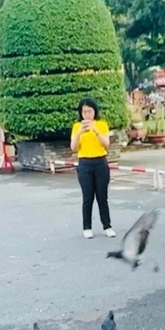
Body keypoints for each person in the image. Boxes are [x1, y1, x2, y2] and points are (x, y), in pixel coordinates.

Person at [70, 97, 114, 240]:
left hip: (100, 162)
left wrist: (95, 130)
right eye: (84, 112)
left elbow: (106, 144)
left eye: (90, 111)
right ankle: (87, 227)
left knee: (102, 197)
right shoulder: (77, 127)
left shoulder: (101, 125)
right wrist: (79, 134)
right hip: (84, 163)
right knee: (87, 198)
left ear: (95, 111)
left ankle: (107, 226)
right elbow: (74, 148)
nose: (87, 114)